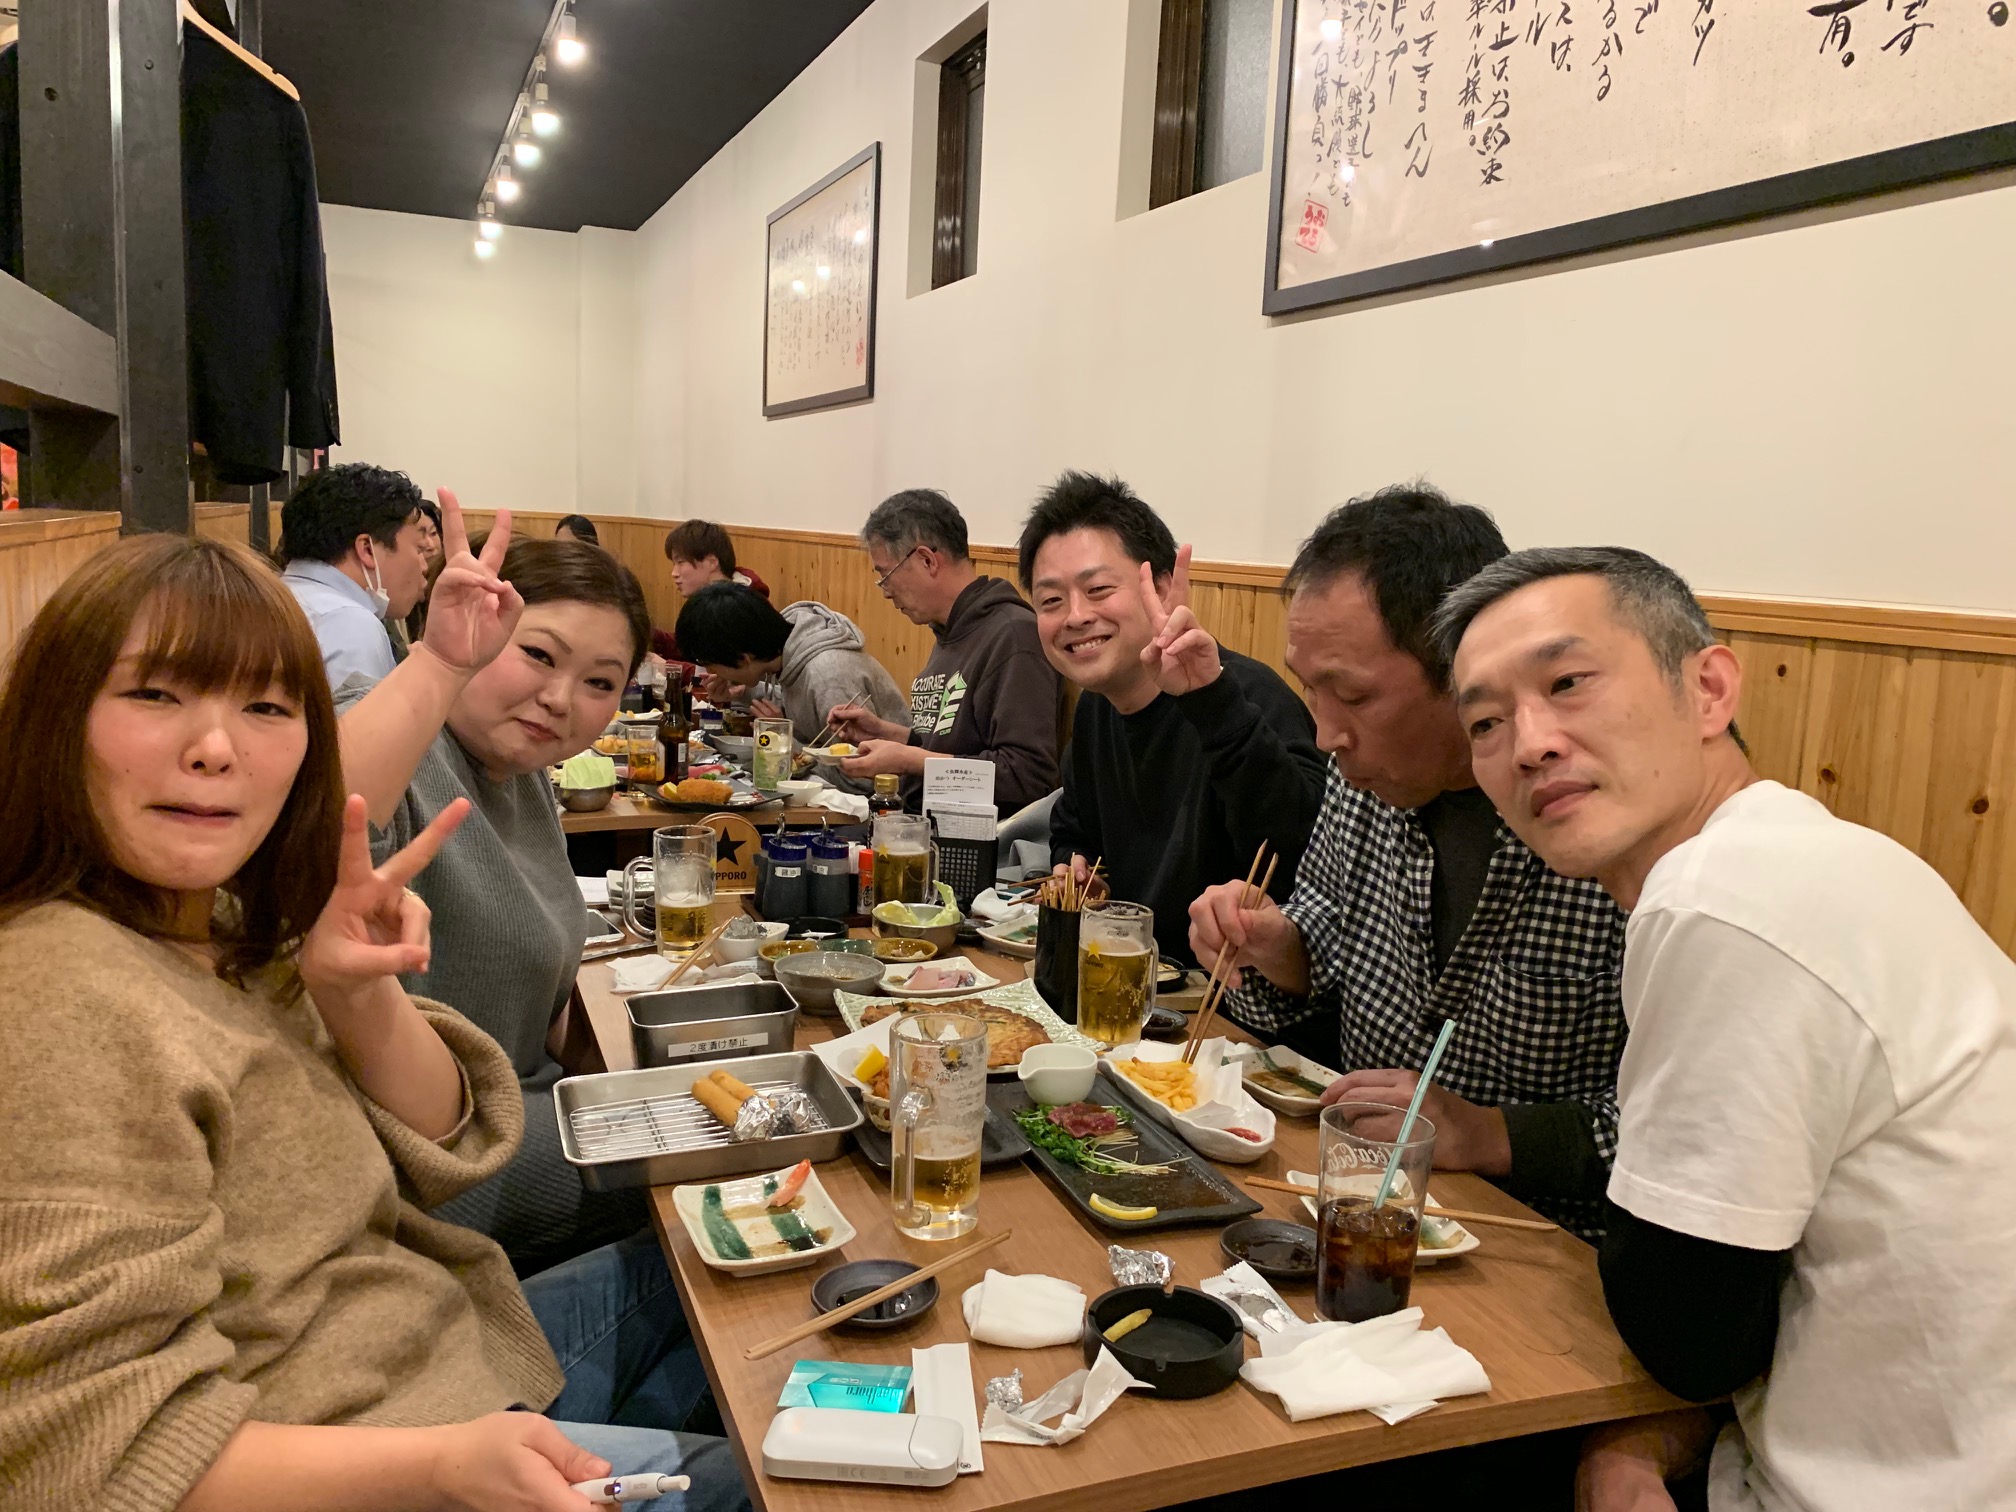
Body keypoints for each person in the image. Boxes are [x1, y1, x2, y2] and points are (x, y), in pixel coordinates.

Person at [0, 533, 745, 1511]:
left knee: (729, 1276)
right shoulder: (59, 997)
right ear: (55, 717)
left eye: (267, 708)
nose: (216, 748)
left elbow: (452, 1138)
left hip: (431, 1333)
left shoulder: (217, 924)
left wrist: (354, 994)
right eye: (155, 694)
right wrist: (437, 1466)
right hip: (365, 1431)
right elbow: (78, 1454)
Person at [1436, 546, 2016, 1512]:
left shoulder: (1724, 899)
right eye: (1486, 723)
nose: (1529, 743)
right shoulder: (1802, 855)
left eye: (1568, 683)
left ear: (1708, 690)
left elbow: (1690, 1339)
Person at [1187, 487, 1628, 1238]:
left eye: (1354, 697)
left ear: (1463, 670)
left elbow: (1696, 1135)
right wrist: (1278, 948)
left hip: (1544, 1246)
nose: (1325, 735)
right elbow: (1321, 935)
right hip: (1355, 1202)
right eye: (1310, 691)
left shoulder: (1599, 823)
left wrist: (1489, 1133)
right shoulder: (1364, 782)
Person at [336, 492, 661, 1275]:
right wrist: (439, 664)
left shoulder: (521, 771)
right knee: (735, 1158)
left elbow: (537, 990)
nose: (560, 700)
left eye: (600, 682)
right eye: (539, 655)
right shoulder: (392, 731)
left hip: (520, 1116)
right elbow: (324, 817)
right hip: (424, 1172)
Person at [1020, 471, 1327, 965]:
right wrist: (1074, 867)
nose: (1075, 616)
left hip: (1234, 993)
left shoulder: (1247, 697)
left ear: (1162, 588)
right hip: (1127, 976)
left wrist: (1210, 702)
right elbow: (1074, 829)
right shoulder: (1097, 708)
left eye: (1098, 589)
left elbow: (1302, 856)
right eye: (1051, 600)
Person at [830, 487, 1063, 814]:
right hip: (921, 826)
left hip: (978, 839)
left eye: (886, 576)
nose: (886, 593)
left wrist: (909, 760)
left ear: (926, 560)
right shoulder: (951, 631)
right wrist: (888, 734)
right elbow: (951, 746)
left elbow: (1028, 777)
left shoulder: (1014, 636)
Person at [674, 581, 909, 755]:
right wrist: (743, 693)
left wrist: (783, 743)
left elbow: (862, 774)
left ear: (744, 658)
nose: (712, 673)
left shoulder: (828, 676)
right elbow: (802, 705)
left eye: (710, 664)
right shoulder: (787, 648)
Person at [278, 462, 432, 686]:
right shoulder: (352, 626)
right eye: (418, 548)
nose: (424, 566)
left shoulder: (271, 596)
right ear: (367, 550)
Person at [650, 520, 772, 662]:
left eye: (681, 562)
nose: (674, 573)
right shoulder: (708, 602)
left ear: (712, 562)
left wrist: (667, 666)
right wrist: (654, 636)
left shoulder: (741, 609)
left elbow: (720, 670)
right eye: (674, 564)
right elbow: (693, 647)